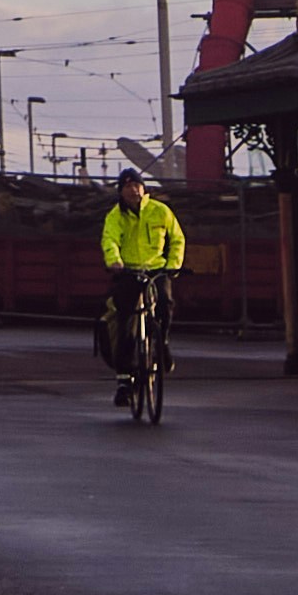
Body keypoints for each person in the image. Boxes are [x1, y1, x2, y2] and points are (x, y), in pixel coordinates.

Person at [95, 167, 187, 425]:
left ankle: (162, 344)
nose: (133, 190)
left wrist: (174, 265)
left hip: (158, 268)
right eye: (127, 187)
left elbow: (177, 238)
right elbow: (109, 240)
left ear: (144, 188)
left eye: (136, 185)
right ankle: (124, 382)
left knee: (166, 303)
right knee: (124, 321)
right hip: (129, 272)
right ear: (121, 192)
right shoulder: (116, 216)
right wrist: (114, 261)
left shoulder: (161, 211)